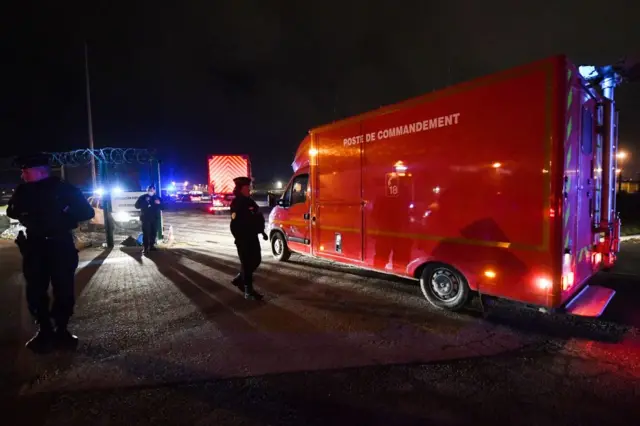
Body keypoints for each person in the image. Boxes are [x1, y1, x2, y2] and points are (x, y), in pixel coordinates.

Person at [7, 153, 95, 353]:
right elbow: (12, 211)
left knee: (63, 287)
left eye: (25, 171)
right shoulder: (23, 190)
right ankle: (44, 329)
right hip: (35, 246)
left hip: (59, 244)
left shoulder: (64, 189)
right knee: (35, 289)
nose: (22, 175)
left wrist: (65, 209)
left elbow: (86, 213)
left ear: (39, 171)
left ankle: (62, 329)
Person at [229, 176, 268, 300]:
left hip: (253, 236)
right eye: (246, 187)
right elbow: (234, 224)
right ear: (240, 189)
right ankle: (248, 291)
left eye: (249, 187)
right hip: (243, 239)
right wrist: (239, 238)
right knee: (246, 264)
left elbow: (257, 216)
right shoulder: (236, 203)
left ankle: (240, 279)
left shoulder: (250, 201)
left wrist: (262, 232)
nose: (249, 189)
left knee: (256, 260)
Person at [135, 185, 164, 254]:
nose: (151, 191)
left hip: (155, 218)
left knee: (153, 233)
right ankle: (145, 247)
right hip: (145, 218)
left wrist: (159, 203)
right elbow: (137, 206)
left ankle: (152, 246)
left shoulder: (157, 198)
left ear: (155, 191)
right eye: (149, 190)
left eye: (152, 190)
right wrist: (145, 202)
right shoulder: (142, 197)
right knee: (146, 233)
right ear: (147, 190)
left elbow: (164, 207)